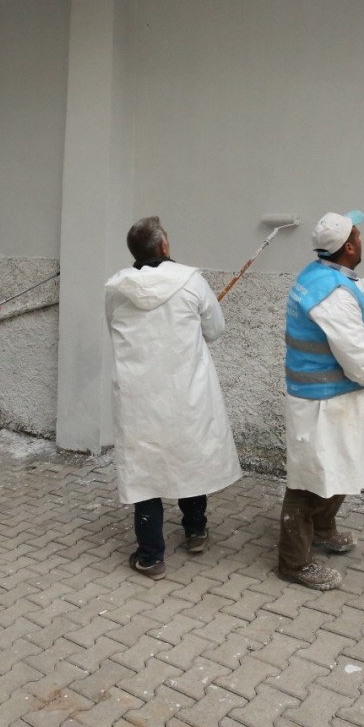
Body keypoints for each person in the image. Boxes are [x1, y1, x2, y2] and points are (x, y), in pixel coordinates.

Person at [277, 211, 364, 591]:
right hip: (321, 403)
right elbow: (358, 361)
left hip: (327, 398)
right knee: (309, 479)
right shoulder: (333, 297)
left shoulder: (318, 274)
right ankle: (293, 562)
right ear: (351, 246)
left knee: (338, 466)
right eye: (358, 234)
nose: (361, 239)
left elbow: (352, 291)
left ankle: (323, 529)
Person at [105, 216, 241, 580]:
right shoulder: (191, 282)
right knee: (187, 457)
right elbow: (215, 330)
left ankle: (151, 556)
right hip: (186, 392)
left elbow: (114, 331)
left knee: (144, 468)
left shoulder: (117, 289)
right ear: (164, 247)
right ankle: (196, 531)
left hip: (140, 395)